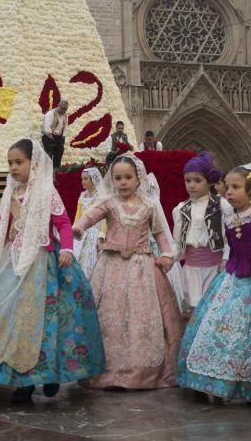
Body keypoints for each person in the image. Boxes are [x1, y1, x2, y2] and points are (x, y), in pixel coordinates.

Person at [0, 139, 105, 403]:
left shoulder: (46, 192)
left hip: (43, 264)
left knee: (46, 322)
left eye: (19, 162)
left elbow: (63, 223)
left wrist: (66, 249)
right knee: (12, 320)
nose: (13, 167)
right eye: (10, 163)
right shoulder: (10, 195)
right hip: (12, 265)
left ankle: (49, 373)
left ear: (35, 163)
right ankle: (22, 382)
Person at [177, 165, 251, 406]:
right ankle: (209, 378)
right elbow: (229, 246)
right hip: (232, 278)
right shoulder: (229, 216)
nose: (229, 193)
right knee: (216, 325)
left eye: (236, 187)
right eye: (227, 188)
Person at [74, 153, 184, 389]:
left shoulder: (149, 205)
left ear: (138, 179)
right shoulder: (110, 203)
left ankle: (140, 371)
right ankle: (106, 369)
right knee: (109, 317)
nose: (122, 182)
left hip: (141, 268)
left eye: (127, 177)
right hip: (110, 268)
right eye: (117, 178)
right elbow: (92, 214)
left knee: (141, 317)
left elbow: (161, 234)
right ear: (111, 181)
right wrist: (80, 226)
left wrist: (167, 255)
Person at [171, 152, 231, 312]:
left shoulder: (221, 206)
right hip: (191, 272)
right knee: (193, 311)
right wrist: (169, 258)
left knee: (212, 310)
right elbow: (178, 243)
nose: (191, 185)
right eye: (188, 180)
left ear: (209, 181)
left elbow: (229, 239)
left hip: (215, 270)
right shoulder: (181, 210)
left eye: (197, 180)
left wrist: (226, 259)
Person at [72, 167, 105, 278]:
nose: (83, 181)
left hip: (94, 233)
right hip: (82, 232)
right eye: (82, 179)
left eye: (86, 179)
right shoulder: (82, 196)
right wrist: (74, 231)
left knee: (89, 261)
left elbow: (104, 218)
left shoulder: (100, 197)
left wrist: (101, 235)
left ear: (93, 180)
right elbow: (78, 216)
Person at [41, 99, 68, 168]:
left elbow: (65, 127)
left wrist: (63, 137)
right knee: (48, 157)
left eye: (65, 109)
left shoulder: (65, 115)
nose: (63, 111)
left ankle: (55, 173)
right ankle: (47, 174)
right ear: (58, 106)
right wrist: (52, 139)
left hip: (58, 138)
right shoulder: (50, 114)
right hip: (49, 137)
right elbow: (46, 129)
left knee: (58, 156)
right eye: (62, 108)